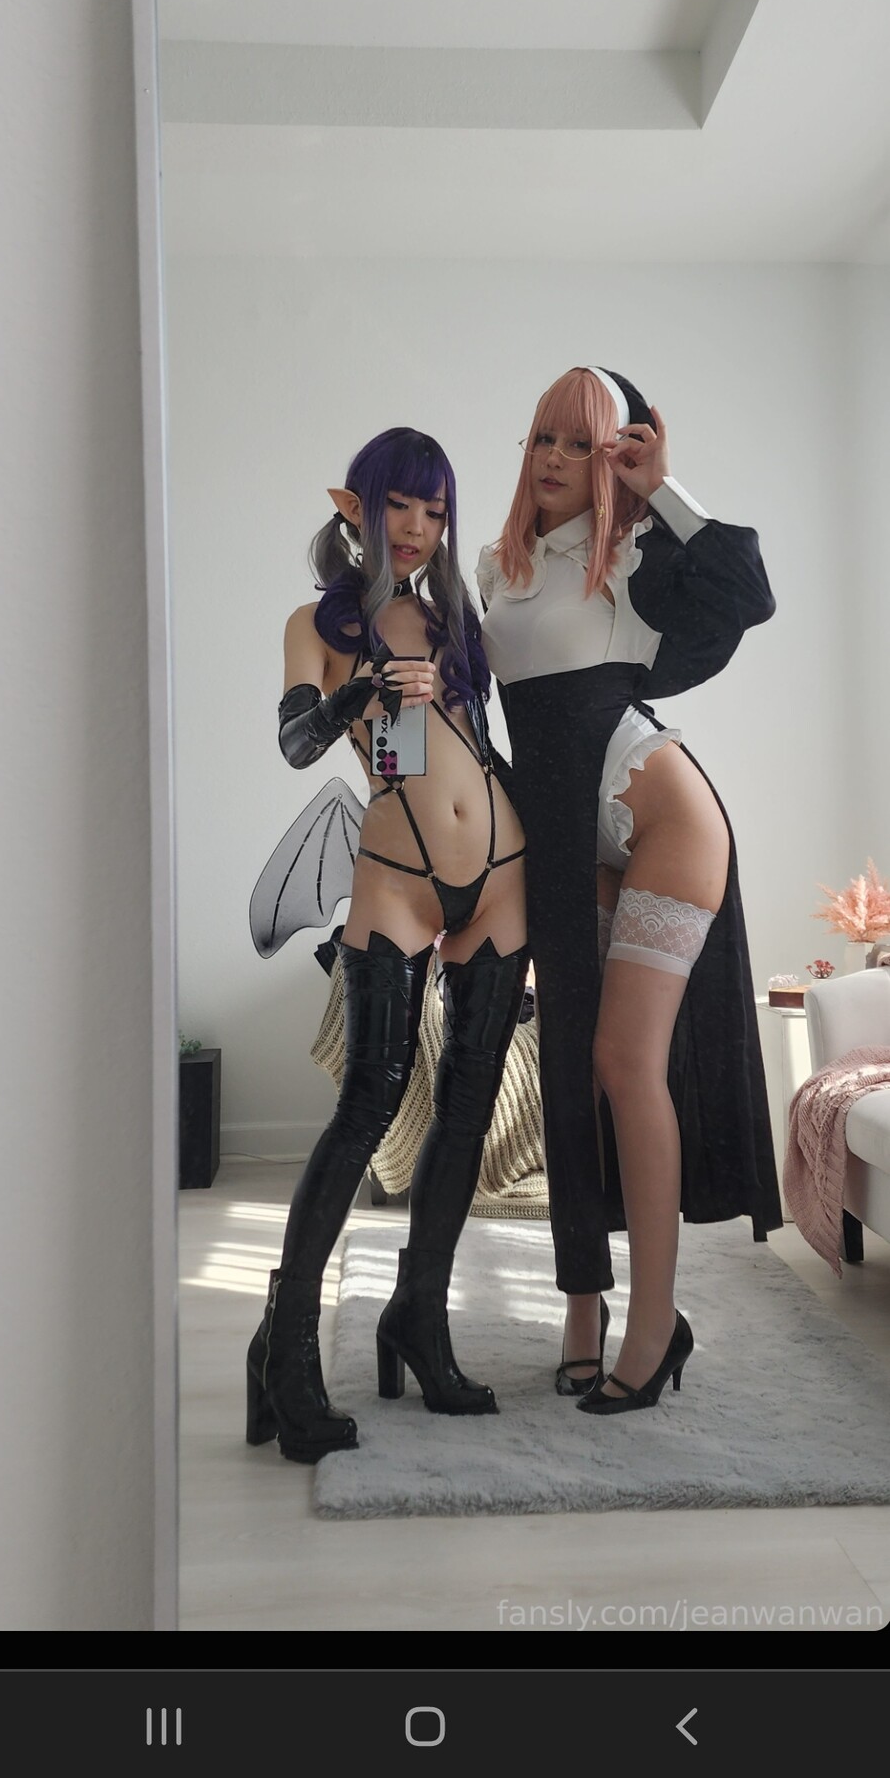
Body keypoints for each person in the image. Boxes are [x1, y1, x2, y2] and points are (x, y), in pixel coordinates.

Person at [476, 367, 782, 1415]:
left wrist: (662, 489)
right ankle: (582, 1308)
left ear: (614, 459)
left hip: (660, 816)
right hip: (565, 836)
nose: (555, 459)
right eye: (543, 439)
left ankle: (657, 1324)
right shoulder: (497, 570)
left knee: (622, 1060)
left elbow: (747, 592)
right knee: (571, 1062)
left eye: (581, 443)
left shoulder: (636, 556)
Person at [246, 427, 529, 1463]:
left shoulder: (453, 618)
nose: (416, 527)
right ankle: (285, 1347)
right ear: (353, 507)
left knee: (469, 1106)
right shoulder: (317, 625)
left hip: (503, 873)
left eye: (434, 510)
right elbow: (295, 744)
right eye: (399, 505)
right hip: (396, 876)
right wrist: (363, 692)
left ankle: (420, 1316)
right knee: (369, 1101)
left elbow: (481, 744)